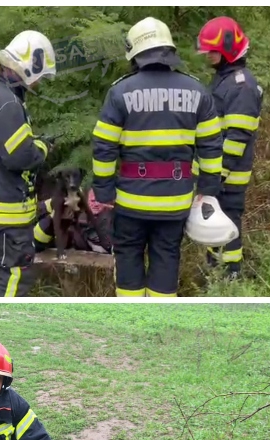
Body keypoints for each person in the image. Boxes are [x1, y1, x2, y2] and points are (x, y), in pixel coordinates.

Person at [91, 17, 224, 297]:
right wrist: (208, 189)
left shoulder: (120, 91)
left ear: (135, 52)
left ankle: (130, 318)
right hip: (175, 201)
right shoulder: (197, 91)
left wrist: (104, 192)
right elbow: (212, 145)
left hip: (131, 201)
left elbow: (104, 147)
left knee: (128, 258)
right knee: (166, 258)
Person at [0, 31, 57, 297]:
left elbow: (0, 144)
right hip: (5, 210)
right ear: (29, 66)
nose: (38, 83)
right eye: (39, 76)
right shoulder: (8, 103)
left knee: (0, 265)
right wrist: (42, 147)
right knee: (16, 272)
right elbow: (19, 157)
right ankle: (1, 316)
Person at [197, 16, 263, 279]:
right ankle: (215, 274)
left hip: (229, 176)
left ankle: (229, 278)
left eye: (212, 51)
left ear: (228, 49)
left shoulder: (241, 86)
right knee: (214, 226)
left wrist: (216, 176)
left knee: (227, 226)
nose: (208, 56)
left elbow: (237, 138)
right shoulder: (224, 80)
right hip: (217, 174)